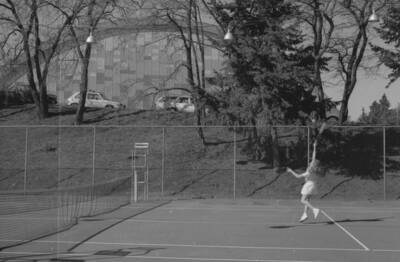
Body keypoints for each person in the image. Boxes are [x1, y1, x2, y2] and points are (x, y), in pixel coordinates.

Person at [286, 141, 320, 223]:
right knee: (307, 200)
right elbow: (314, 156)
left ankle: (314, 209)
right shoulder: (314, 170)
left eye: (311, 163)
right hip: (313, 185)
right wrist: (314, 146)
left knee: (302, 200)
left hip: (308, 185)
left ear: (311, 165)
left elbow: (298, 176)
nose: (310, 162)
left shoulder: (308, 171)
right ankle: (304, 214)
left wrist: (291, 171)